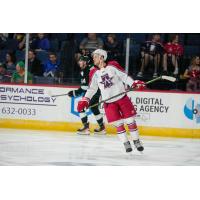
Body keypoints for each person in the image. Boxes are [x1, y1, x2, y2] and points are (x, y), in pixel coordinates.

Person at [77, 49, 145, 153]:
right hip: (109, 103)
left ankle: (136, 141)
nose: (93, 58)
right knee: (118, 124)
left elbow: (124, 77)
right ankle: (126, 143)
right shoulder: (93, 72)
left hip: (122, 98)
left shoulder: (113, 65)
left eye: (95, 56)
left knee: (130, 121)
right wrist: (85, 100)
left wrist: (133, 83)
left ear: (102, 57)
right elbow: (92, 88)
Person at [68, 55, 105, 135]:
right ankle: (102, 128)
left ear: (85, 62)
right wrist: (77, 91)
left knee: (81, 107)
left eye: (81, 61)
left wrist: (75, 92)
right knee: (94, 108)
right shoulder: (87, 69)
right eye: (79, 61)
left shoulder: (88, 70)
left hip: (93, 91)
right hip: (96, 91)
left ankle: (86, 128)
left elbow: (86, 86)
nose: (79, 62)